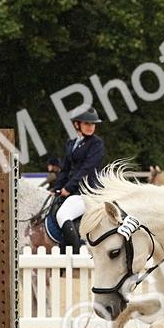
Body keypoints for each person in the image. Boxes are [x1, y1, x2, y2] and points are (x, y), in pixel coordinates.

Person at [54, 107, 106, 252]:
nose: (91, 127)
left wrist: (68, 188)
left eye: (92, 124)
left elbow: (87, 170)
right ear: (77, 124)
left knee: (63, 214)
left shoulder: (96, 143)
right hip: (75, 191)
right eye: (87, 124)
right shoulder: (71, 142)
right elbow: (65, 168)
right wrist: (56, 188)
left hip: (89, 191)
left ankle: (77, 254)